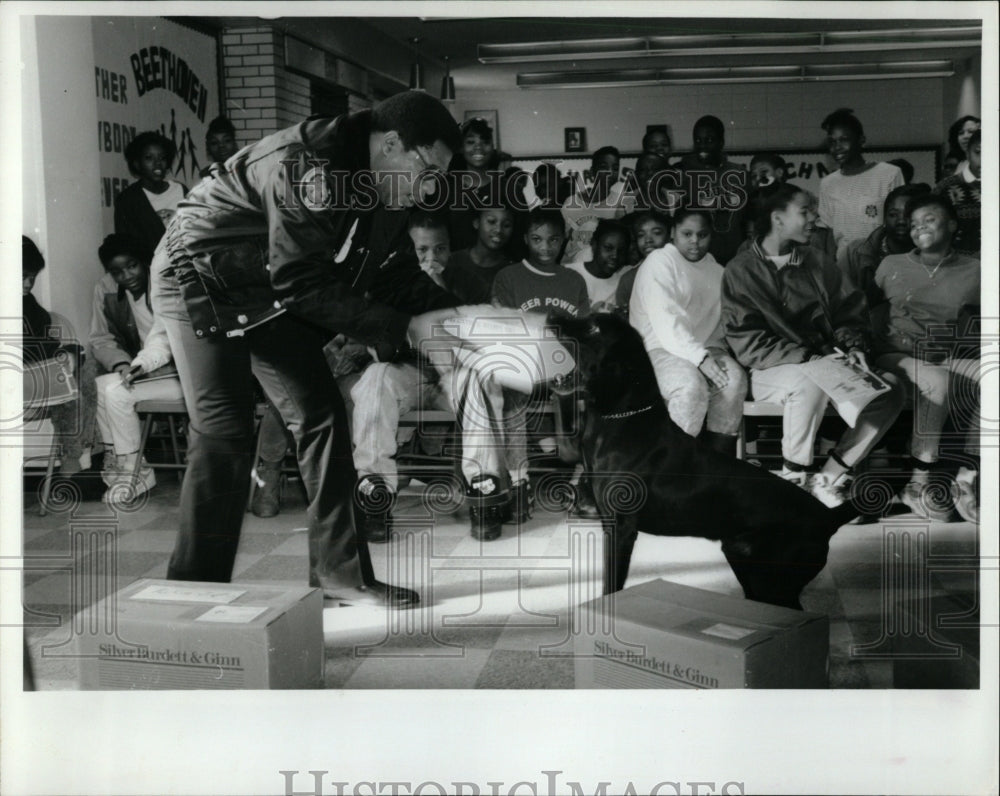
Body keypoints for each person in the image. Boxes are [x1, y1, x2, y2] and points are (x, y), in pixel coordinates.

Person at [150, 90, 464, 608]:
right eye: (428, 170)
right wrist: (407, 329)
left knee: (323, 415)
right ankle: (191, 594)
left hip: (267, 286)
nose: (431, 188)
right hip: (199, 272)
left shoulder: (390, 187)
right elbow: (300, 280)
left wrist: (460, 317)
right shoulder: (309, 168)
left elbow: (396, 274)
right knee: (225, 429)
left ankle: (343, 577)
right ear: (391, 144)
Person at [722, 183, 904, 507]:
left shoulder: (817, 260)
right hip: (772, 370)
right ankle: (794, 481)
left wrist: (854, 346)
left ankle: (829, 477)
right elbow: (748, 340)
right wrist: (808, 357)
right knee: (808, 380)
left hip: (828, 364)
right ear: (778, 219)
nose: (813, 218)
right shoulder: (741, 269)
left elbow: (849, 311)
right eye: (804, 211)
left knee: (890, 392)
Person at [344, 212, 520, 542]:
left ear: (451, 248)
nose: (431, 258)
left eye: (439, 249)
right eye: (421, 251)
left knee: (478, 380)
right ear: (405, 252)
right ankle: (375, 494)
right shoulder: (389, 282)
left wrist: (436, 293)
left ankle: (482, 491)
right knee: (374, 380)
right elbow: (380, 349)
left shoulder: (467, 282)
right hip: (409, 372)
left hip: (456, 376)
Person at [872, 193, 981, 522]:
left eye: (929, 220)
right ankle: (918, 482)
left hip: (945, 355)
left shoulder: (974, 269)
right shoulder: (891, 265)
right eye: (914, 223)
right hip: (897, 354)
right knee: (937, 380)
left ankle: (966, 478)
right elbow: (864, 312)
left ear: (951, 224)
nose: (919, 227)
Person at [492, 209, 591, 523]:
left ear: (564, 241)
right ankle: (519, 485)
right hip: (524, 361)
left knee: (584, 379)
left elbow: (582, 331)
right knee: (509, 389)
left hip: (564, 365)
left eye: (553, 240)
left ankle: (582, 479)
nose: (545, 247)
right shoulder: (508, 277)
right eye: (537, 239)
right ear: (525, 240)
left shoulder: (573, 280)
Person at [629, 208, 746, 455]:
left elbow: (726, 323)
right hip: (657, 348)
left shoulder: (718, 271)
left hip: (704, 350)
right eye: (687, 234)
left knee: (734, 382)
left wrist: (714, 355)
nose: (695, 241)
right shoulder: (659, 261)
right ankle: (672, 465)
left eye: (702, 235)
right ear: (673, 233)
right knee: (690, 387)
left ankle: (716, 464)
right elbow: (666, 319)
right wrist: (700, 359)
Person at [89, 234, 182, 503]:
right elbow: (101, 338)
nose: (127, 276)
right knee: (100, 385)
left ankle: (134, 469)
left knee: (117, 393)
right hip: (143, 367)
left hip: (181, 372)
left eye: (132, 266)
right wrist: (122, 365)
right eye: (117, 272)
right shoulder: (106, 289)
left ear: (145, 262)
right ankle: (120, 458)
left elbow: (164, 340)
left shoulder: (167, 284)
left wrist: (141, 365)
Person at [22, 236, 97, 478]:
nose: (28, 283)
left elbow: (46, 346)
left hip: (34, 379)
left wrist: (70, 353)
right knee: (71, 376)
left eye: (32, 276)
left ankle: (76, 455)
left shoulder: (28, 305)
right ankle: (75, 457)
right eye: (22, 275)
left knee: (82, 369)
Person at [817, 108, 904, 260]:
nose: (837, 147)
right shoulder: (827, 184)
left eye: (844, 140)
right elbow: (828, 233)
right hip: (844, 266)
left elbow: (900, 223)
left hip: (882, 261)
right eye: (832, 142)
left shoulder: (889, 174)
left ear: (861, 140)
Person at [842, 183, 931, 307]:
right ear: (884, 218)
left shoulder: (933, 256)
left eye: (908, 215)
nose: (900, 221)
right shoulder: (855, 252)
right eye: (893, 215)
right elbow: (841, 302)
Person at [676, 115, 748, 266]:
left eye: (709, 140)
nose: (703, 145)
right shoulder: (683, 173)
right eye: (698, 140)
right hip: (695, 258)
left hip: (732, 256)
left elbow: (746, 218)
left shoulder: (737, 173)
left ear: (721, 142)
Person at [114, 131, 188, 257]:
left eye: (162, 158)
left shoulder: (181, 190)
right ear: (137, 164)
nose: (157, 163)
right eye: (149, 158)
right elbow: (126, 247)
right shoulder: (127, 200)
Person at [560, 145, 630, 263]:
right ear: (592, 171)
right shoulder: (571, 202)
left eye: (615, 168)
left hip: (601, 271)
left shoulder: (619, 203)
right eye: (604, 167)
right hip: (571, 269)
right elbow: (561, 240)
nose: (610, 172)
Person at [444, 205, 515, 304]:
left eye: (506, 225)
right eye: (491, 221)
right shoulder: (451, 261)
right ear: (476, 223)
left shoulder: (511, 273)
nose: (498, 230)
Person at [564, 219, 633, 314]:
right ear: (594, 244)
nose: (615, 256)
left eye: (621, 251)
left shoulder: (622, 286)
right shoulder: (567, 274)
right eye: (608, 248)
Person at [934, 129, 981, 255]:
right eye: (978, 152)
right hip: (957, 267)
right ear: (967, 153)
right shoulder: (944, 188)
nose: (984, 160)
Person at [615, 210, 671, 314]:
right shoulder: (629, 280)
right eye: (641, 235)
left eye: (656, 233)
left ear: (669, 236)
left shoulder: (682, 270)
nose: (648, 240)